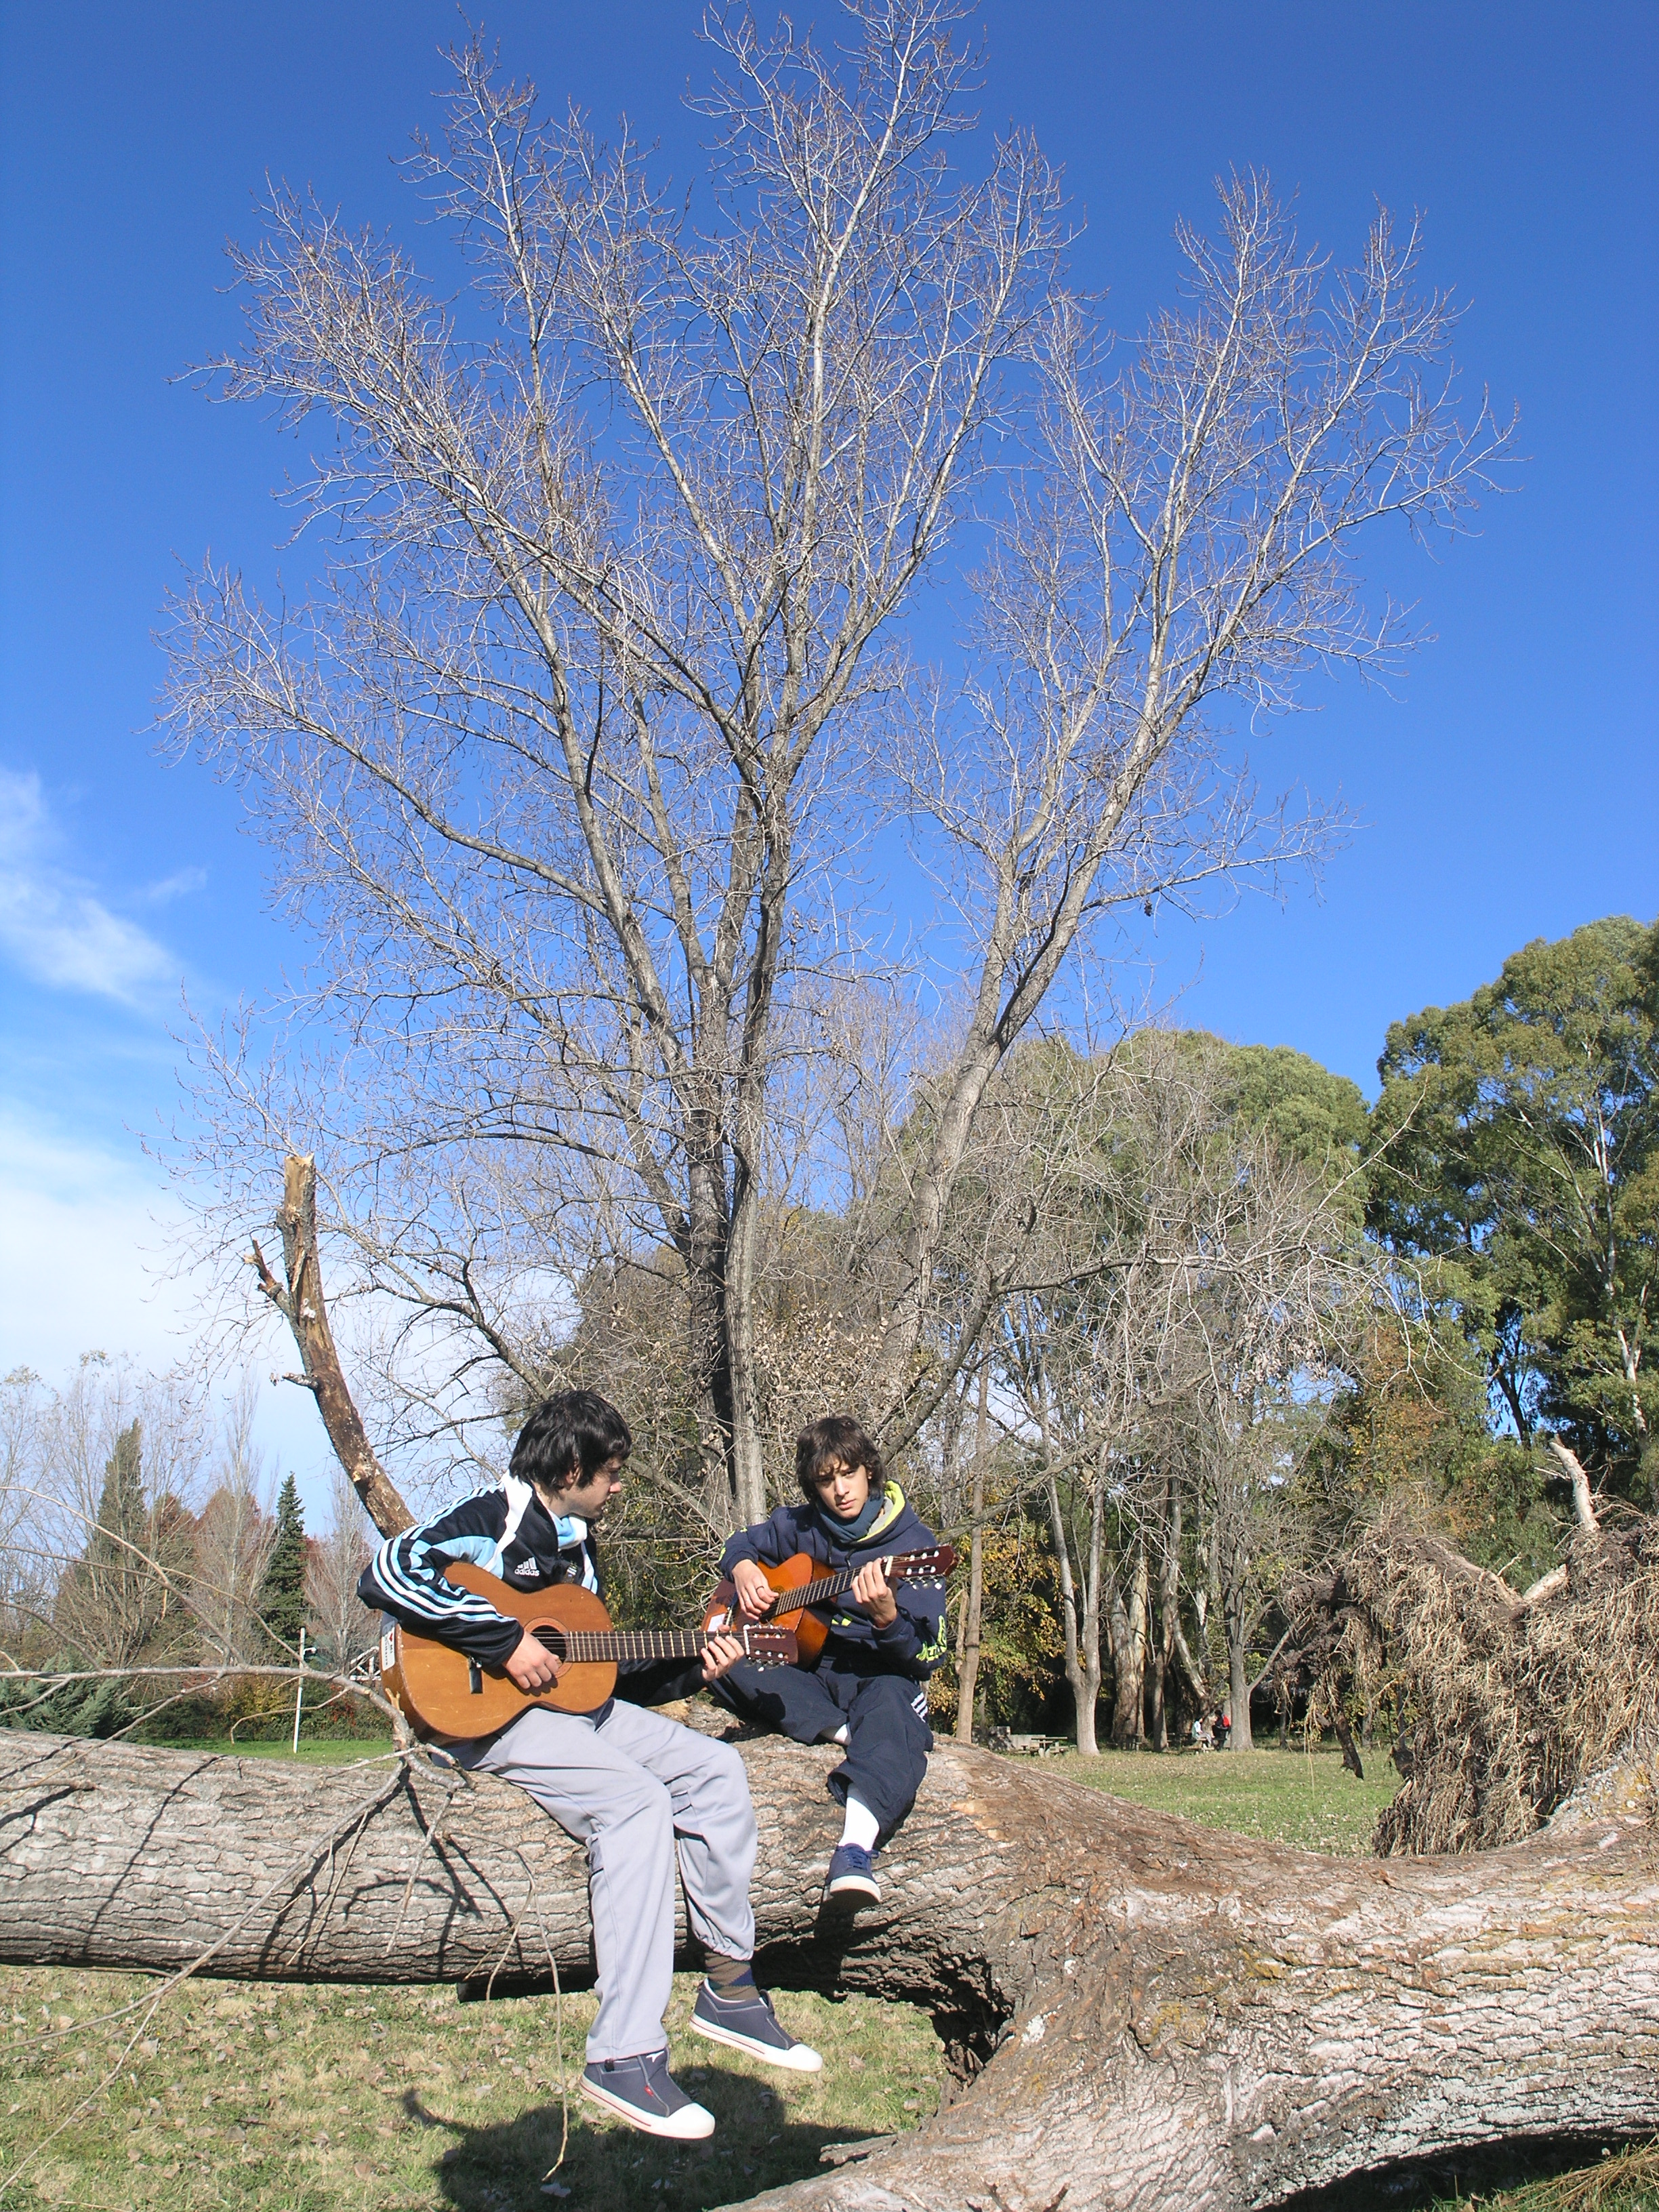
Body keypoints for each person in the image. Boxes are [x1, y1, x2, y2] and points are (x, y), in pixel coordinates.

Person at [358, 1389, 820, 2142]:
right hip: (484, 1719)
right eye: (610, 1472)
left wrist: (694, 1669)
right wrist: (504, 1642)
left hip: (569, 1713)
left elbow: (592, 1672)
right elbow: (389, 1571)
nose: (617, 1485)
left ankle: (731, 1988)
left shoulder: (579, 1549)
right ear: (571, 1466)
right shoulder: (494, 1517)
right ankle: (623, 2054)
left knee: (712, 1771)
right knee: (635, 1803)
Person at [712, 1414, 948, 1906]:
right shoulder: (799, 1526)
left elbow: (930, 1653)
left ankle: (855, 1851)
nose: (840, 1490)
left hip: (881, 1670)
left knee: (891, 1704)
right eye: (826, 1481)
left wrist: (888, 1619)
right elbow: (739, 1544)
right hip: (808, 1665)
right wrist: (745, 1569)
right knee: (725, 1654)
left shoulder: (913, 1545)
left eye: (849, 1474)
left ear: (869, 1471)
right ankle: (851, 1734)